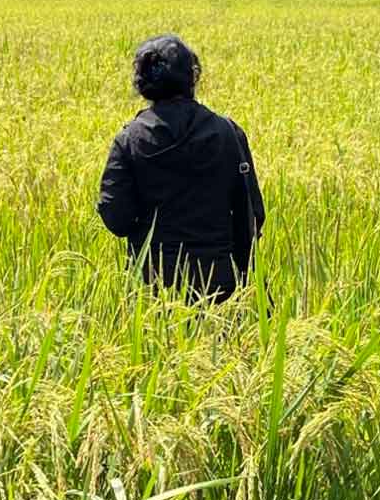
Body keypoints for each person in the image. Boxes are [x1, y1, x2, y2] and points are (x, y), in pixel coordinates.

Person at [97, 34, 264, 302]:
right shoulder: (228, 133)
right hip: (217, 284)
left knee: (151, 345)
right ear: (192, 77)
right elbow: (253, 215)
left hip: (152, 286)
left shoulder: (129, 140)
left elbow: (117, 219)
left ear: (142, 84)